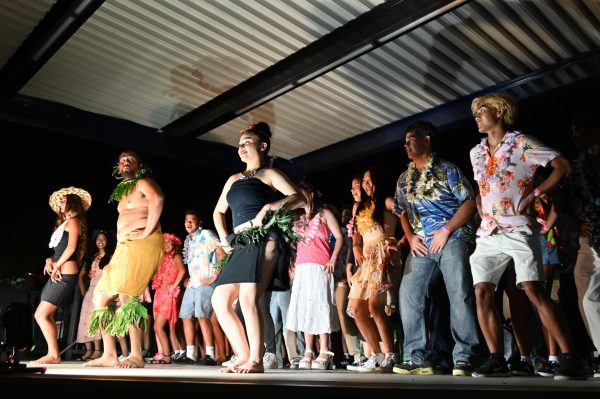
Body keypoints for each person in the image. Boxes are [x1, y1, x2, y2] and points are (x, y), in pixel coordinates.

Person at [468, 93, 585, 379]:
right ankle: (496, 358)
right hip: (489, 232)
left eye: (482, 111)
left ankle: (570, 358)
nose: (477, 116)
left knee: (533, 290)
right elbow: (481, 189)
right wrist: (482, 207)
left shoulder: (521, 143)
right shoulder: (476, 152)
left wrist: (535, 193)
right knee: (482, 291)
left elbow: (563, 166)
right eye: (475, 113)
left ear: (500, 111)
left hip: (520, 228)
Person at [212, 122, 305, 373]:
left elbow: (300, 198)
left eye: (247, 143)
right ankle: (243, 354)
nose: (241, 148)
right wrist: (225, 240)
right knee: (220, 300)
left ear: (262, 146)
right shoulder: (233, 179)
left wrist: (268, 209)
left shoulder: (269, 174)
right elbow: (218, 212)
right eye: (239, 144)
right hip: (239, 243)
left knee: (248, 298)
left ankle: (256, 359)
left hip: (263, 238)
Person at [393, 120, 480, 376]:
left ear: (427, 139)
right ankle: (415, 357)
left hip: (451, 236)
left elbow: (469, 203)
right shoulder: (403, 179)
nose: (406, 145)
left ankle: (465, 356)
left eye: (411, 139)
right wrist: (409, 237)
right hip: (421, 242)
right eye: (405, 141)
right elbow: (400, 211)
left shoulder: (448, 169)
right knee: (409, 293)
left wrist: (446, 230)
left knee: (459, 293)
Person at [85, 150, 164, 369]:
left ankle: (137, 354)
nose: (125, 163)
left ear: (139, 165)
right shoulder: (123, 191)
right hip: (124, 247)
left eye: (130, 160)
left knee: (127, 295)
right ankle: (110, 354)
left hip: (142, 241)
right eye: (121, 161)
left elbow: (158, 199)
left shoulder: (143, 182)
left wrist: (148, 230)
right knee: (100, 298)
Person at [286, 181, 342, 370]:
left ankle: (325, 350)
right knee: (305, 307)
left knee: (320, 304)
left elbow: (340, 237)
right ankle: (309, 350)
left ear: (310, 194)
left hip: (320, 266)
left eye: (300, 194)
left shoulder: (324, 213)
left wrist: (333, 258)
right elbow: (293, 245)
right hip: (302, 267)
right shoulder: (298, 219)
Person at [32, 186, 91, 364]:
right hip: (59, 270)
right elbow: (59, 250)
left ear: (73, 202)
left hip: (65, 273)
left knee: (41, 314)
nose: (61, 203)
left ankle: (53, 354)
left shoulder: (74, 221)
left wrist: (56, 266)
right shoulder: (65, 223)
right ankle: (53, 354)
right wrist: (49, 261)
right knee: (44, 315)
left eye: (65, 200)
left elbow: (71, 248)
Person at [348, 167, 397, 372]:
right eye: (364, 181)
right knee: (356, 307)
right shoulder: (360, 207)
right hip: (366, 259)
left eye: (369, 180)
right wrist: (356, 249)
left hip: (382, 256)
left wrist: (399, 243)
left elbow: (408, 216)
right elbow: (356, 236)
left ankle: (390, 355)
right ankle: (375, 355)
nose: (366, 184)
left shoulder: (386, 202)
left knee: (375, 307)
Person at [569, 110, 600, 378]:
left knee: (590, 295)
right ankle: (598, 350)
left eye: (579, 130)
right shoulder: (579, 164)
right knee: (586, 293)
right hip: (590, 237)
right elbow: (567, 200)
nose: (574, 136)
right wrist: (578, 221)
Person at [176, 209, 226, 365]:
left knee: (202, 316)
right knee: (185, 315)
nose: (189, 223)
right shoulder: (188, 241)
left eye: (193, 220)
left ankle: (210, 354)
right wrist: (187, 278)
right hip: (193, 283)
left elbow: (222, 254)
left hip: (206, 282)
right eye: (187, 220)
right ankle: (191, 354)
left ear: (199, 222)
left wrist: (215, 276)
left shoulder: (206, 234)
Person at [75, 230, 114, 361]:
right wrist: (83, 291)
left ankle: (98, 350)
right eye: (98, 239)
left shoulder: (110, 257)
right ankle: (88, 350)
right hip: (90, 292)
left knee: (96, 320)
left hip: (103, 291)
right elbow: (80, 276)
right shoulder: (92, 257)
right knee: (85, 320)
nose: (101, 241)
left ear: (107, 242)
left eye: (103, 239)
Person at [149, 233, 186, 364]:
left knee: (158, 327)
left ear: (174, 244)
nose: (166, 244)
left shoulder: (176, 256)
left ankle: (166, 354)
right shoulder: (162, 258)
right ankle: (161, 352)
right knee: (157, 327)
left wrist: (174, 286)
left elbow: (182, 271)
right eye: (164, 242)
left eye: (169, 242)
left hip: (169, 294)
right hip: (159, 293)